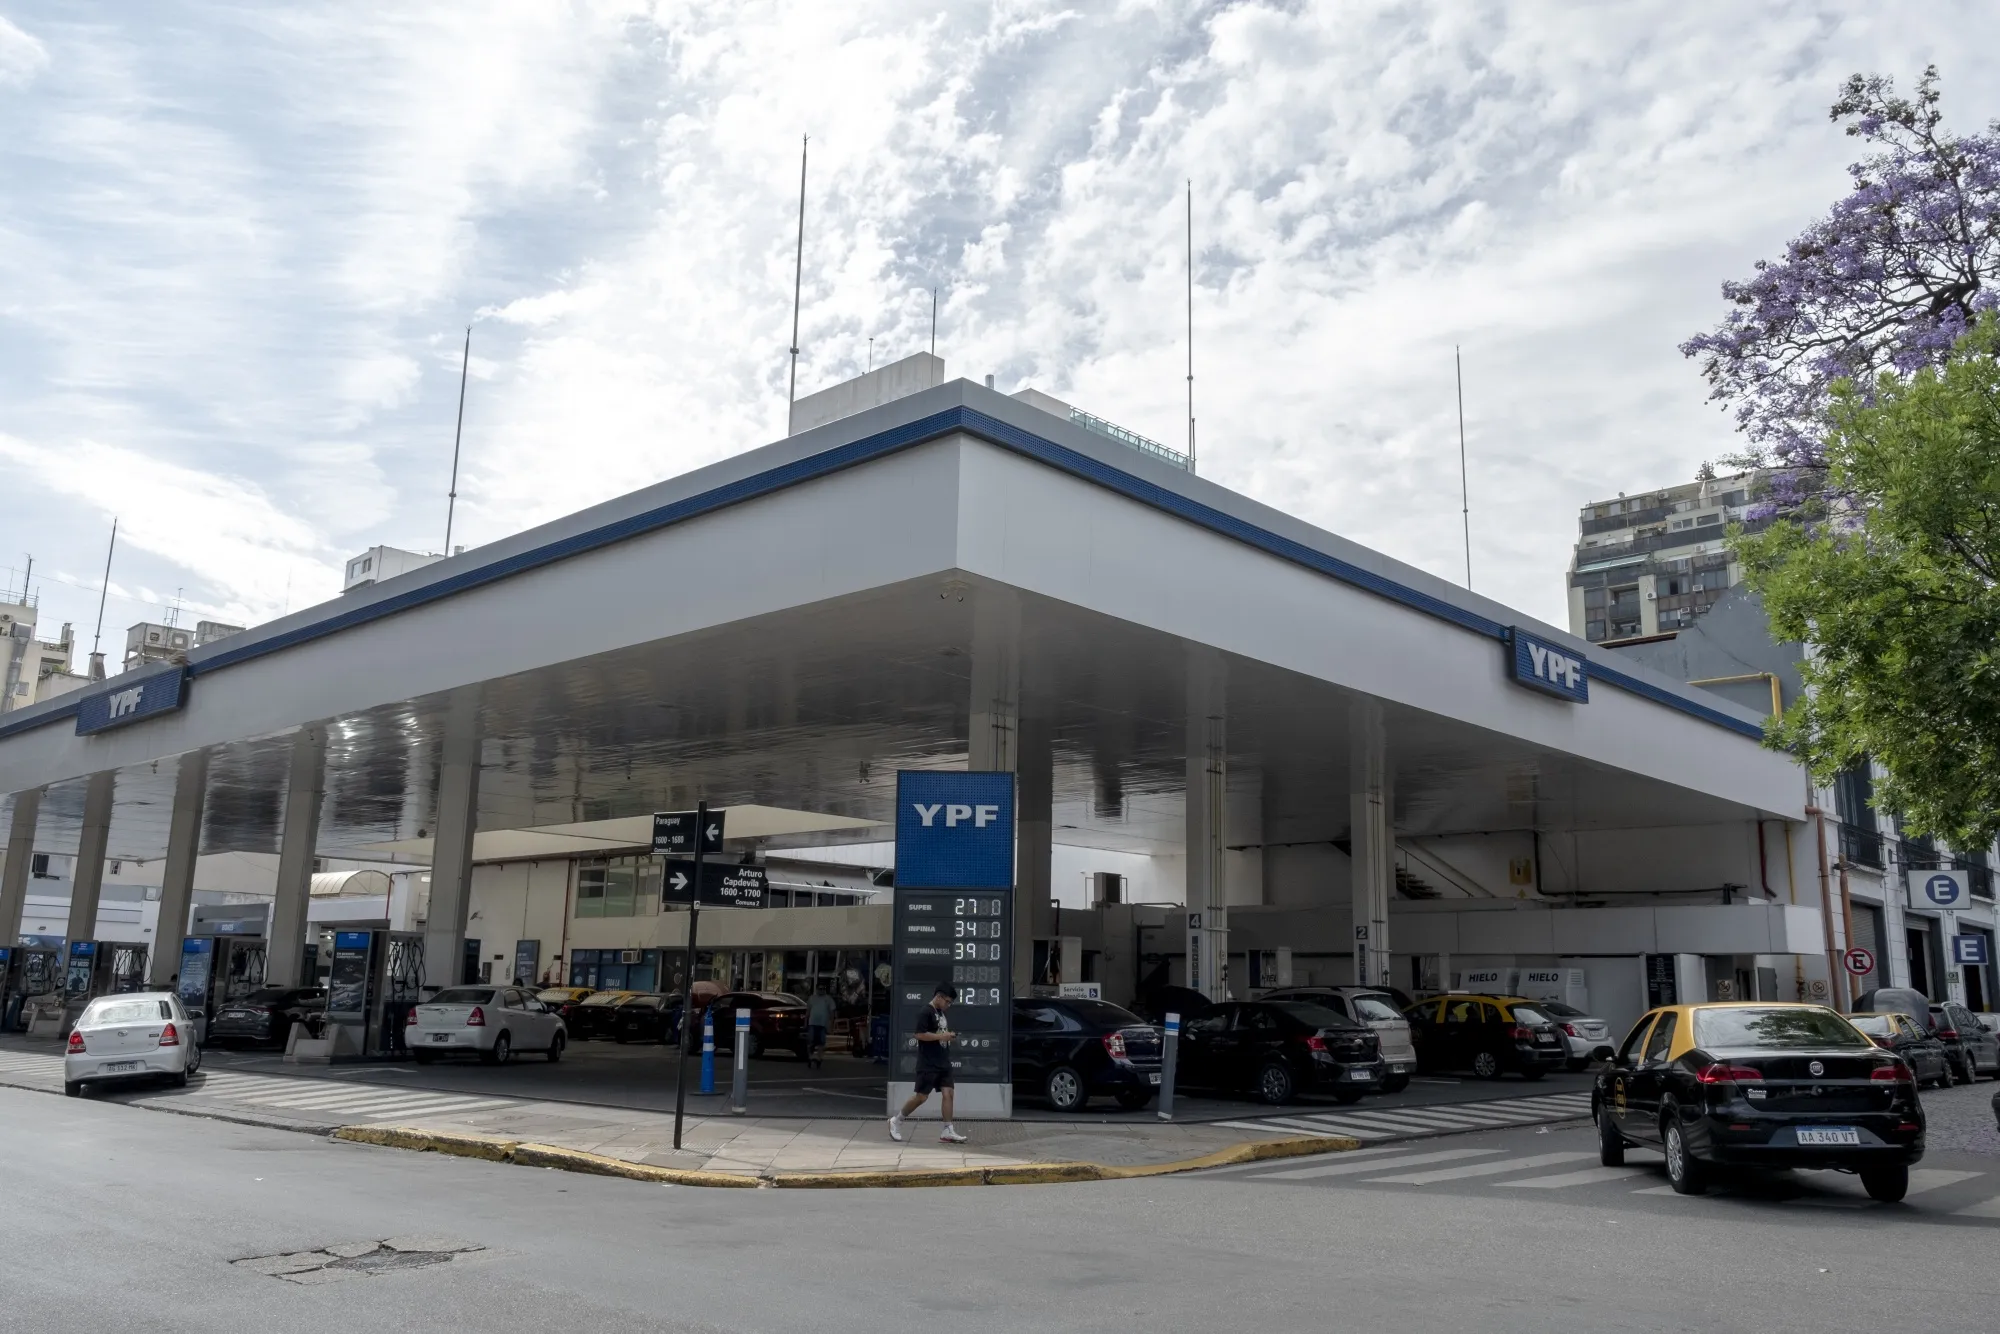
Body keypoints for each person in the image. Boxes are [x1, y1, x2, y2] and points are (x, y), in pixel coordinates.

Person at [889, 984, 967, 1143]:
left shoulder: (940, 1013)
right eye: (947, 1002)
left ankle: (947, 1129)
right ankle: (896, 1121)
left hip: (943, 1060)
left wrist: (948, 1036)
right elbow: (919, 1035)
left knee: (949, 1093)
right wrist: (941, 1037)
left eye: (950, 1003)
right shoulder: (925, 1012)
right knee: (921, 1097)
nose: (948, 1005)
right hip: (928, 1062)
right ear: (938, 997)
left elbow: (939, 1033)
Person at [807, 984, 836, 1069]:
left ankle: (819, 1058)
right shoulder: (812, 998)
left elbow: (832, 1012)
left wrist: (831, 1024)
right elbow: (808, 1011)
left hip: (822, 1024)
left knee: (821, 1042)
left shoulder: (828, 999)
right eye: (820, 988)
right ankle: (810, 1056)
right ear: (816, 989)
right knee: (810, 1042)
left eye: (823, 988)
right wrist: (806, 1022)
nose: (821, 990)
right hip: (812, 1023)